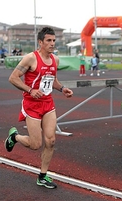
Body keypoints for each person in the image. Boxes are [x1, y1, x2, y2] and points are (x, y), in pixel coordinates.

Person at [5, 27, 73, 189]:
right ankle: (14, 137)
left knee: (51, 141)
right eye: (48, 41)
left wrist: (63, 88)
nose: (52, 43)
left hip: (48, 104)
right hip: (32, 104)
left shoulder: (55, 60)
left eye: (54, 40)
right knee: (35, 144)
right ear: (40, 42)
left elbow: (53, 80)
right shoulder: (30, 58)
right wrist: (30, 90)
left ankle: (42, 176)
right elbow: (13, 78)